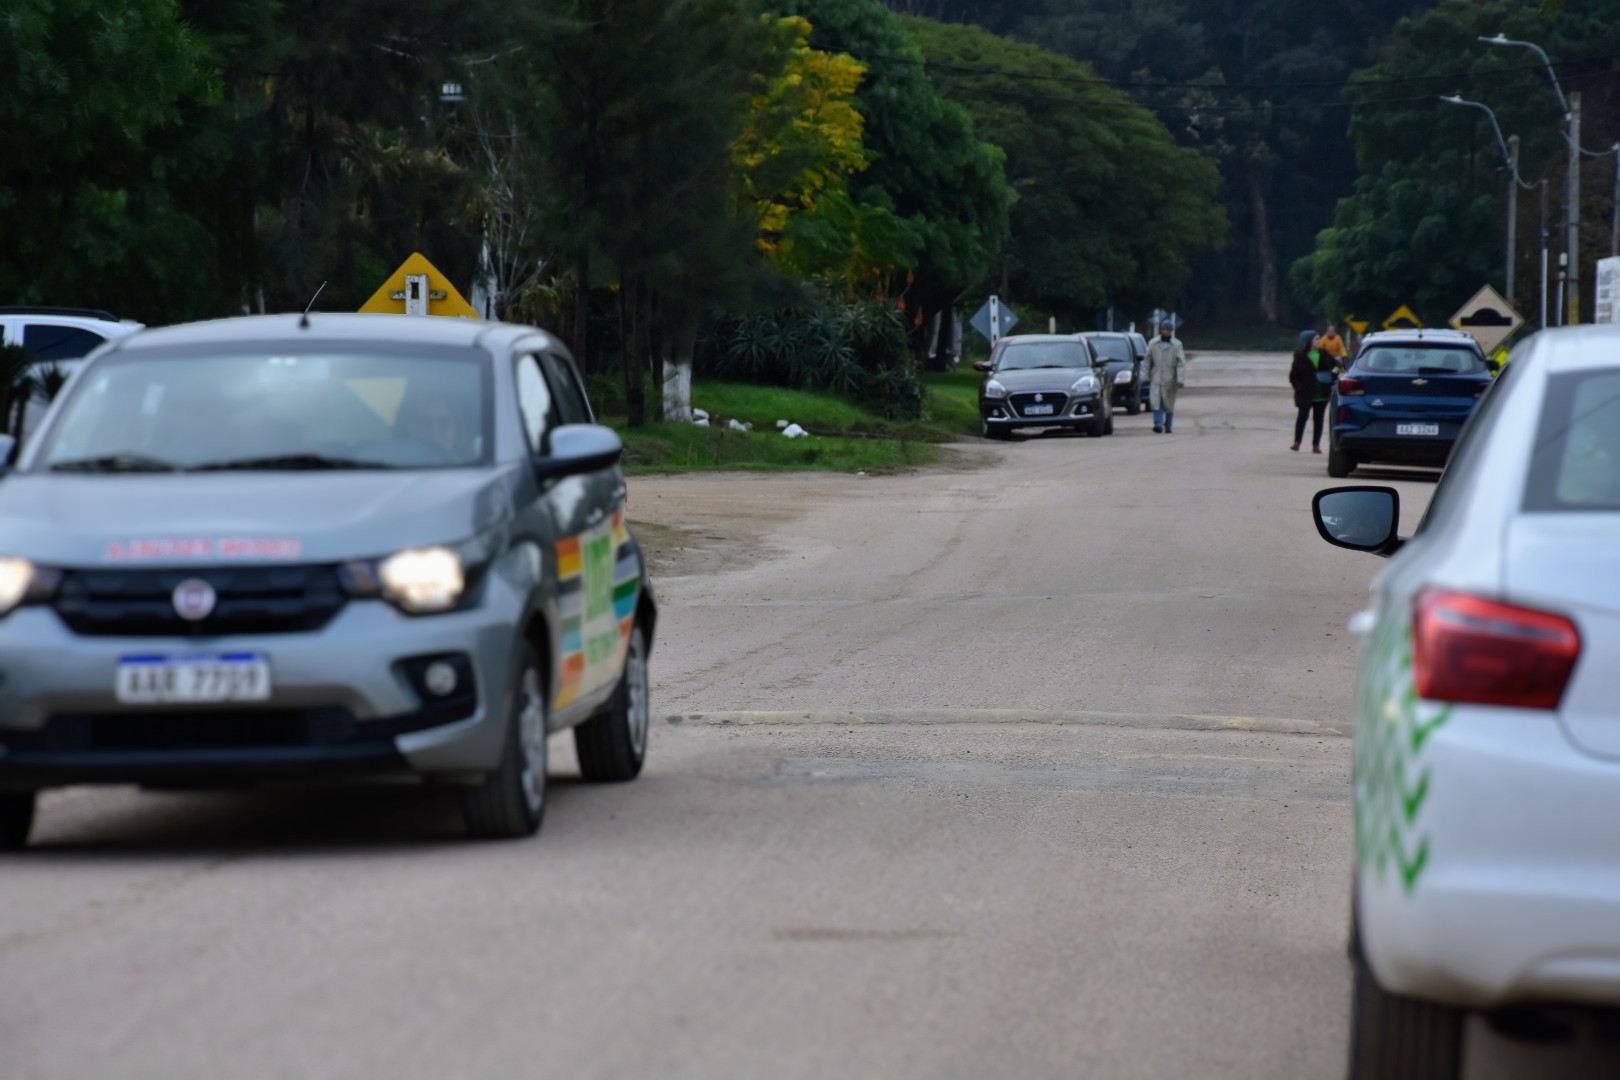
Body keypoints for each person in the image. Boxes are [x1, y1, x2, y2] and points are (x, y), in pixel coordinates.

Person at [1289, 330, 1342, 454]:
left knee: (1318, 419)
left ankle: (1316, 445)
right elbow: (1293, 376)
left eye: (1319, 339)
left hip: (1322, 393)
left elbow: (1338, 365)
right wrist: (1299, 388)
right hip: (1305, 394)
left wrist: (1334, 373)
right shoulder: (1300, 357)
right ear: (1308, 342)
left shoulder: (1324, 354)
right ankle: (1297, 442)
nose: (1319, 341)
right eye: (1317, 339)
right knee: (1302, 417)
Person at [1145, 320, 1186, 433]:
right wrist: (1146, 376)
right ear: (1161, 330)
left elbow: (1181, 363)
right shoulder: (1153, 343)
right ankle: (1158, 424)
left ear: (1171, 331)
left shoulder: (1177, 344)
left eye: (1169, 330)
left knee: (1168, 403)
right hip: (1156, 377)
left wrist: (1180, 379)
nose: (1166, 332)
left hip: (1170, 378)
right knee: (1156, 402)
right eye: (1165, 329)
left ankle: (1168, 425)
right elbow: (1147, 360)